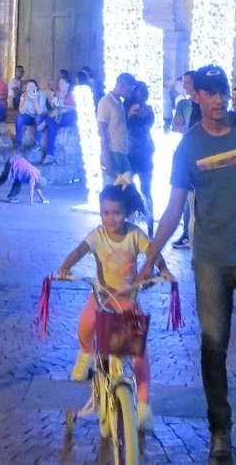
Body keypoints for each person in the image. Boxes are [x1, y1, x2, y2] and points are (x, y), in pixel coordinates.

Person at [137, 65, 236, 465]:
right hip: (210, 261)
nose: (216, 101)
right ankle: (220, 430)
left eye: (221, 92)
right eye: (208, 93)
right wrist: (151, 256)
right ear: (196, 96)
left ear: (229, 94)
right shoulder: (189, 147)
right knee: (214, 348)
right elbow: (174, 209)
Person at [56, 182, 166, 434]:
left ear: (125, 213)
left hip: (128, 300)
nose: (110, 218)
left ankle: (144, 405)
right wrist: (65, 267)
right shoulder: (97, 235)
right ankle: (86, 353)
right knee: (85, 325)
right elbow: (79, 250)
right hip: (102, 297)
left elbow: (153, 253)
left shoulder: (135, 235)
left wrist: (162, 269)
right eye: (105, 212)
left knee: (139, 354)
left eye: (116, 213)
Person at [126, 81, 156, 236]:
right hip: (129, 153)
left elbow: (149, 124)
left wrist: (143, 115)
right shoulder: (124, 108)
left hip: (144, 152)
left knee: (146, 190)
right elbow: (121, 127)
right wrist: (129, 115)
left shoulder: (148, 110)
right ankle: (131, 222)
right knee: (129, 188)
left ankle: (150, 225)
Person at [170, 71, 196, 250]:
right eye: (183, 82)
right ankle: (187, 235)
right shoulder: (183, 104)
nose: (184, 86)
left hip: (201, 155)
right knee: (188, 201)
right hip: (188, 152)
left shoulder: (204, 103)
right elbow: (176, 127)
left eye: (188, 83)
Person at [97, 72, 135, 184]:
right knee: (115, 190)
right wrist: (107, 159)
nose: (129, 94)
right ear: (121, 86)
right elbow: (102, 131)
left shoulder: (119, 102)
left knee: (125, 190)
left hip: (121, 151)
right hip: (113, 152)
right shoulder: (105, 102)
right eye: (128, 90)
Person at [14, 78, 49, 151]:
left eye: (32, 86)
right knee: (19, 118)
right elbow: (21, 112)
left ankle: (36, 143)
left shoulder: (41, 95)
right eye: (28, 86)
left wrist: (35, 99)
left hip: (40, 116)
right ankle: (18, 143)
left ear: (36, 87)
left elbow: (39, 112)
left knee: (37, 118)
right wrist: (25, 100)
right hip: (29, 117)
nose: (30, 88)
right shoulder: (24, 95)